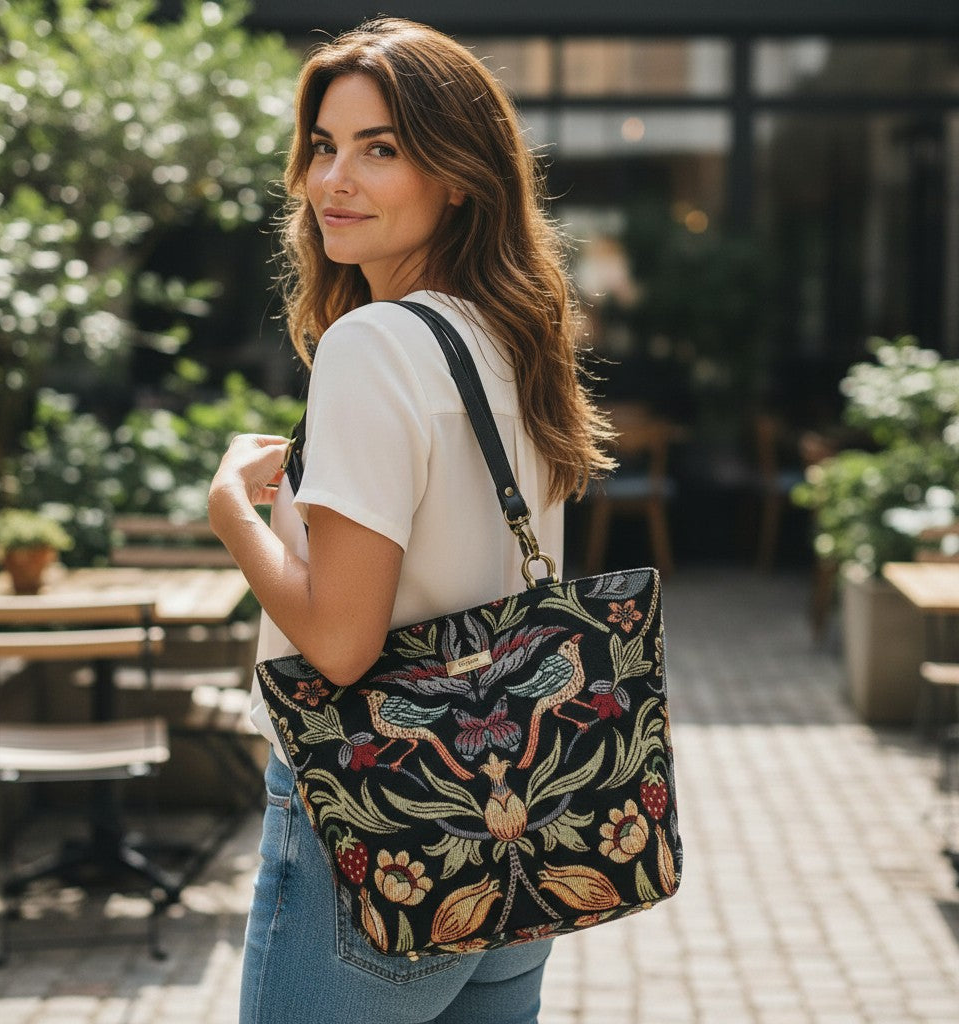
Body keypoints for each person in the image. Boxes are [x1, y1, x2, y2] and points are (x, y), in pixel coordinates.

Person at [208, 17, 614, 1024]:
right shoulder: (513, 340)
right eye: (323, 146)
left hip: (373, 828)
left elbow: (341, 644)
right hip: (515, 832)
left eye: (379, 149)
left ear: (459, 174)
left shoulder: (373, 345)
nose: (332, 178)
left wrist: (231, 512)